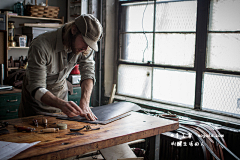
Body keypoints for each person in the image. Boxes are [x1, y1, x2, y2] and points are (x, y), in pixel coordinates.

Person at [18, 14, 103, 121]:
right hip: (35, 107)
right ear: (73, 30)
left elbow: (88, 73)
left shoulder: (85, 48)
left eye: (90, 44)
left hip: (62, 106)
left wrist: (85, 103)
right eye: (85, 41)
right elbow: (36, 88)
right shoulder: (41, 45)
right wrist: (61, 104)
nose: (86, 47)